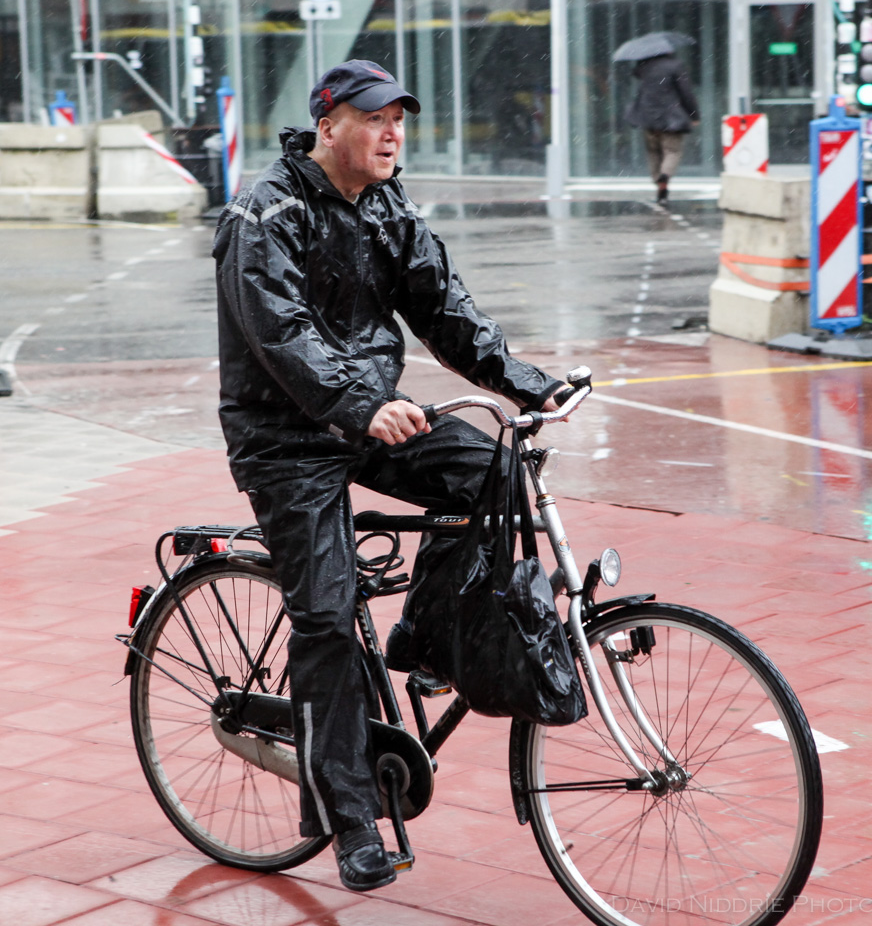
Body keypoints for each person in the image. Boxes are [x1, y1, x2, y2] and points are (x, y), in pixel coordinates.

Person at [212, 59, 564, 893]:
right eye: (374, 118)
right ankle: (349, 818)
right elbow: (284, 336)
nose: (392, 131)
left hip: (370, 412)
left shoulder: (385, 207)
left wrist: (528, 381)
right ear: (327, 125)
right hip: (285, 437)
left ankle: (424, 635)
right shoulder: (264, 214)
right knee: (327, 619)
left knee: (495, 472)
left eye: (399, 117)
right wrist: (359, 404)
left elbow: (442, 305)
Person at [624, 51, 700, 208]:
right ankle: (665, 177)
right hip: (671, 118)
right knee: (672, 151)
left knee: (653, 152)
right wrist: (694, 114)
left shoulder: (644, 67)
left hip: (648, 118)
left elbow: (637, 77)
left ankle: (658, 182)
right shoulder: (675, 66)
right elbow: (686, 93)